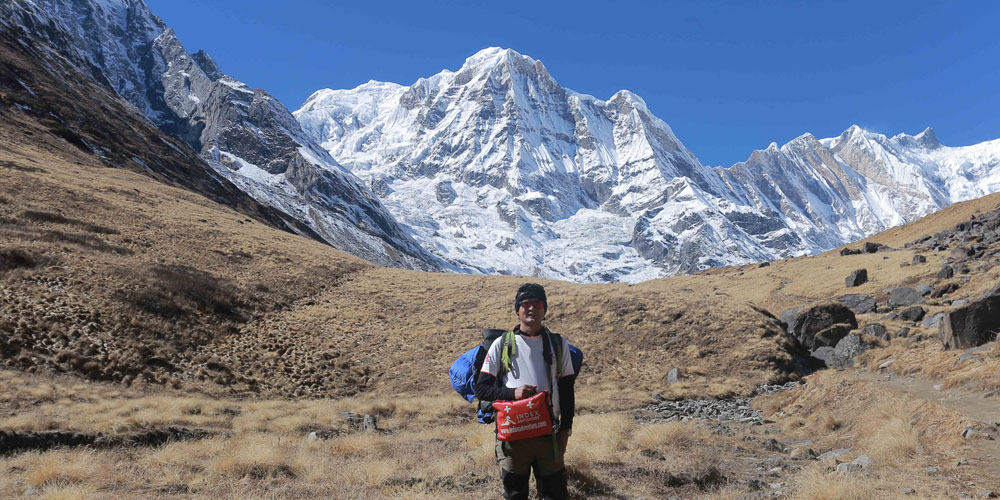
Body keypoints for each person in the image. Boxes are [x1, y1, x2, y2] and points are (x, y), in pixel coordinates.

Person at [475, 283, 576, 500]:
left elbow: (567, 389)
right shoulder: (501, 345)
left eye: (537, 303)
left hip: (549, 435)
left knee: (554, 495)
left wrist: (566, 429)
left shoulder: (558, 344)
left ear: (544, 309)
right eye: (525, 304)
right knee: (515, 495)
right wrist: (513, 394)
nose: (531, 308)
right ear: (517, 309)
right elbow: (481, 389)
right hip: (513, 438)